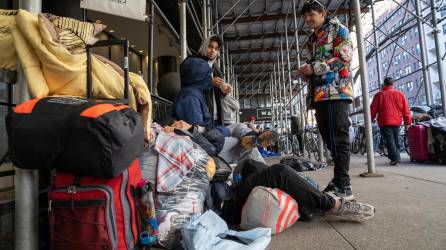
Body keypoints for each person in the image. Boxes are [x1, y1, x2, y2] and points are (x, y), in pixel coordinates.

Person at [298, 1, 355, 199]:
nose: (307, 20)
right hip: (320, 94)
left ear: (322, 13)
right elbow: (318, 62)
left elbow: (344, 57)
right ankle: (339, 180)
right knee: (329, 137)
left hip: (336, 91)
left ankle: (343, 184)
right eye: (305, 17)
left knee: (339, 137)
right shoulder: (313, 37)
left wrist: (313, 68)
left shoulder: (338, 29)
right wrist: (307, 70)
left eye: (311, 15)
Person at [173, 57, 277, 164]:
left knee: (238, 126)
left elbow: (198, 129)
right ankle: (263, 171)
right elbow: (196, 133)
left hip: (211, 134)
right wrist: (218, 138)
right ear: (198, 78)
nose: (210, 79)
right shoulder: (191, 98)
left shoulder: (193, 93)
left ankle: (252, 136)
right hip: (211, 143)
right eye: (207, 76)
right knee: (243, 145)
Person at [222, 160, 375, 224]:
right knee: (279, 172)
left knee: (252, 164)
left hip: (225, 193)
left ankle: (310, 206)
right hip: (225, 205)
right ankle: (332, 205)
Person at [370, 77, 412, 165]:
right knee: (395, 139)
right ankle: (396, 156)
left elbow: (373, 109)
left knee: (389, 140)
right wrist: (408, 122)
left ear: (384, 84)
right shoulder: (400, 94)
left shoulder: (379, 95)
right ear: (393, 84)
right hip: (397, 121)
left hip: (385, 121)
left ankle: (395, 158)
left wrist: (371, 119)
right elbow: (406, 109)